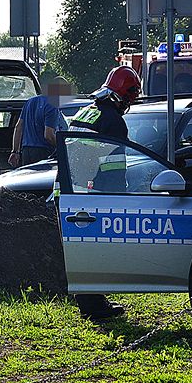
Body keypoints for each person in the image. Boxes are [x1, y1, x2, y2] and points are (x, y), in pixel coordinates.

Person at [68, 66, 142, 322]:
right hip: (95, 194)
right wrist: (118, 197)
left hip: (72, 189)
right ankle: (94, 305)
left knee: (83, 249)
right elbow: (111, 166)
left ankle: (92, 300)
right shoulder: (113, 121)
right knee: (95, 250)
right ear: (126, 95)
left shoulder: (86, 111)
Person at [8, 76, 72, 168]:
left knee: (28, 180)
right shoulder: (52, 105)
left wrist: (15, 151)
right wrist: (63, 148)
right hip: (42, 152)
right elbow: (48, 136)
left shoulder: (29, 102)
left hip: (26, 151)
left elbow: (18, 128)